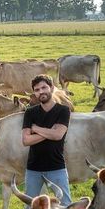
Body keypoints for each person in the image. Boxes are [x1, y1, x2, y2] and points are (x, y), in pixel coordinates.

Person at [21, 74, 71, 202]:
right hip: (33, 169)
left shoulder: (63, 110)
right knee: (30, 207)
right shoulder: (30, 112)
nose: (41, 92)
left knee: (65, 204)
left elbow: (58, 135)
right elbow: (26, 141)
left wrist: (36, 129)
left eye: (44, 87)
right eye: (37, 90)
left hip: (57, 167)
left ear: (52, 88)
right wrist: (51, 132)